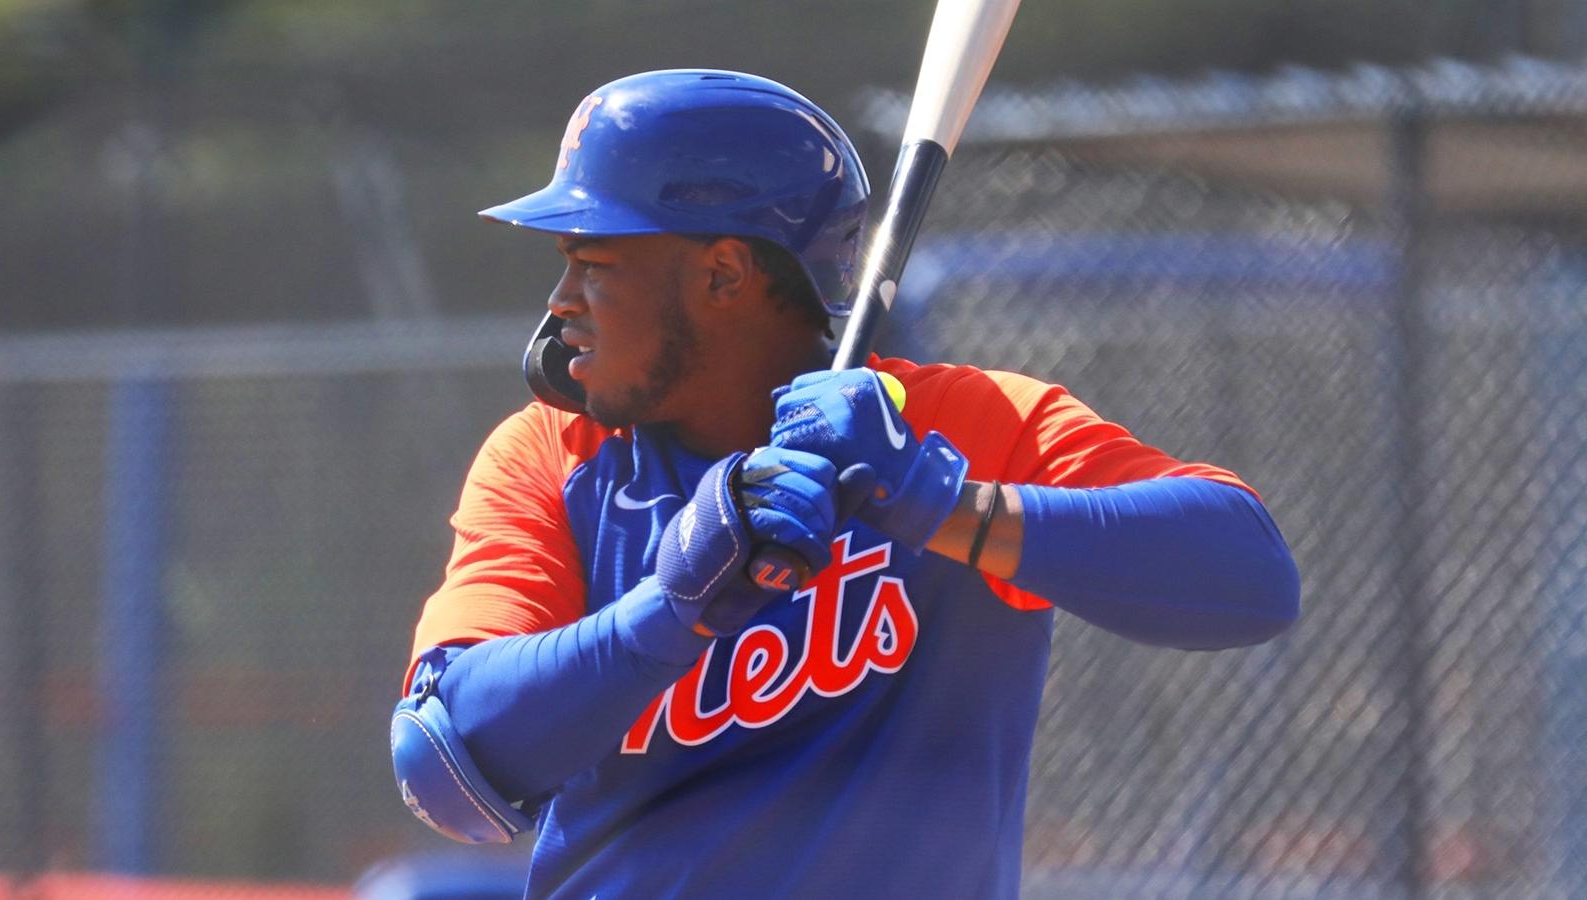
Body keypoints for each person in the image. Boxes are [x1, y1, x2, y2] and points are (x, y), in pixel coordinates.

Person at [390, 69, 1300, 899]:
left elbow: (1250, 578)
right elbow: (444, 767)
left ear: (723, 274)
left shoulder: (957, 427)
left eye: (595, 265)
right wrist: (672, 608)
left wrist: (946, 506)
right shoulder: (556, 452)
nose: (560, 304)